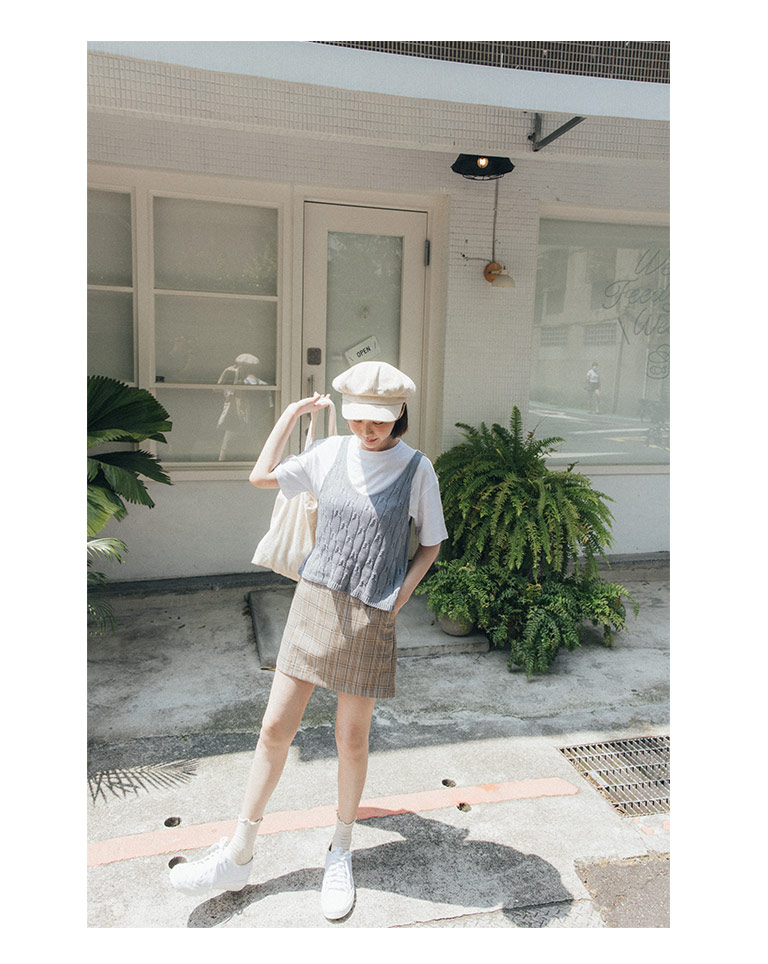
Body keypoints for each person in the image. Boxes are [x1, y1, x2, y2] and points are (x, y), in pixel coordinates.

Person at [169, 360, 447, 920]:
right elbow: (261, 476)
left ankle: (340, 851)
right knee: (275, 728)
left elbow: (431, 544)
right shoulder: (328, 454)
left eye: (379, 420)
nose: (368, 430)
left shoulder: (418, 470)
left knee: (351, 740)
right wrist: (294, 413)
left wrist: (399, 599)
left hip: (370, 614)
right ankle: (239, 850)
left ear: (399, 414)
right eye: (359, 418)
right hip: (314, 603)